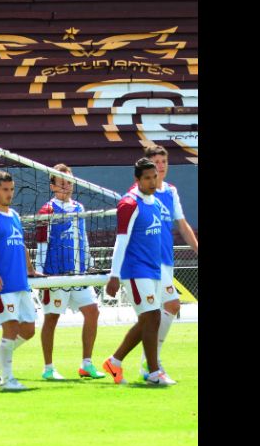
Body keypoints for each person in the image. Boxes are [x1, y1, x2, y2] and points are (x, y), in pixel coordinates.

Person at [102, 158, 174, 386]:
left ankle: (115, 361)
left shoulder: (155, 202)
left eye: (155, 176)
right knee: (151, 317)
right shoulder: (129, 203)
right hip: (135, 271)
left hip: (153, 270)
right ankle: (153, 373)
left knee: (150, 319)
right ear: (137, 180)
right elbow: (121, 241)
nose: (153, 181)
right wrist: (114, 275)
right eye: (147, 178)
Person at [35, 164, 106, 380]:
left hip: (79, 274)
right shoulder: (46, 211)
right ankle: (48, 368)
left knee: (93, 312)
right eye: (61, 182)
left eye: (69, 181)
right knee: (52, 318)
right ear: (52, 186)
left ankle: (87, 364)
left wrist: (90, 263)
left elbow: (82, 239)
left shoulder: (79, 208)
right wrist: (40, 275)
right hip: (55, 276)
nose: (66, 186)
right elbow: (41, 244)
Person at [135, 145, 198, 383]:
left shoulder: (170, 192)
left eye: (164, 161)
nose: (161, 165)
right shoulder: (139, 192)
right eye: (156, 161)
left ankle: (130, 361)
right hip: (147, 263)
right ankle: (151, 363)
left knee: (157, 314)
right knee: (168, 306)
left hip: (166, 261)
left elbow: (181, 224)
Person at [0, 171, 43, 391]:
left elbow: (21, 245)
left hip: (21, 283)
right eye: (5, 190)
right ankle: (7, 379)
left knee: (29, 329)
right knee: (11, 328)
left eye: (12, 189)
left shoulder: (14, 215)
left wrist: (31, 269)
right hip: (3, 285)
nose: (9, 194)